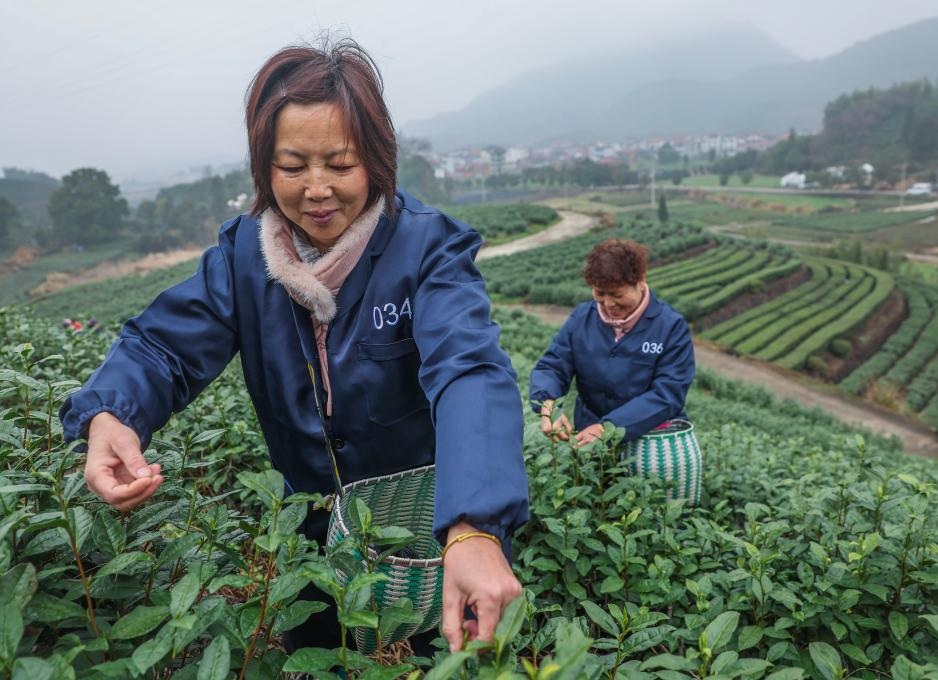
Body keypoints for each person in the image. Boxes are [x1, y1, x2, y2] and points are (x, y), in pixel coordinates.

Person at [60, 39, 529, 655]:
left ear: (378, 161)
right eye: (292, 166)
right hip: (308, 526)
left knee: (426, 653)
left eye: (340, 164)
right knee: (318, 649)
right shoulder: (244, 258)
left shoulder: (426, 252)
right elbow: (164, 345)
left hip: (424, 522)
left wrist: (473, 525)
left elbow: (467, 369)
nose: (316, 189)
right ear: (264, 168)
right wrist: (110, 412)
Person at [529, 239, 695, 446]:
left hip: (650, 442)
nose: (608, 304)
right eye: (600, 293)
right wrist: (548, 405)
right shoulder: (581, 319)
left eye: (617, 294)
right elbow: (552, 366)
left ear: (640, 281)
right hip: (588, 439)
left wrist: (608, 427)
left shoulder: (670, 327)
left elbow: (668, 394)